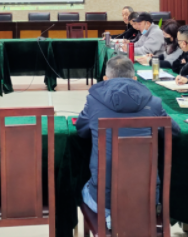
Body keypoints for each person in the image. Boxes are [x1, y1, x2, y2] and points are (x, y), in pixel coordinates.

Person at [75, 56, 180, 229]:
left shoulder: (94, 101)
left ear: (105, 79)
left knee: (80, 184)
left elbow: (81, 130)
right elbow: (174, 131)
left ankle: (111, 218)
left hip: (105, 200)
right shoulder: (154, 103)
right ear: (135, 79)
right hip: (147, 200)